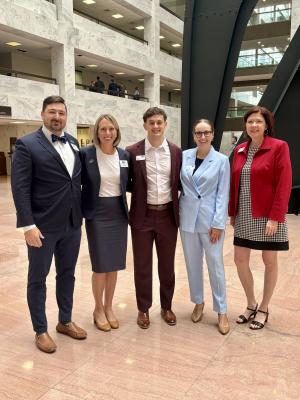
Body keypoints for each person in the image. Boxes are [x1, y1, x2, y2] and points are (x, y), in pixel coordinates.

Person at [11, 96, 87, 354]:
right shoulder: (27, 144)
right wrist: (27, 226)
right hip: (42, 226)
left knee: (67, 274)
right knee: (38, 278)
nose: (57, 117)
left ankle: (65, 321)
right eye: (52, 112)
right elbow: (20, 188)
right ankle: (40, 329)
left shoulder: (75, 143)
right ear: (42, 114)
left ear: (67, 116)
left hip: (72, 224)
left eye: (62, 113)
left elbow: (75, 181)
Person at [229, 106, 292, 330]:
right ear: (245, 126)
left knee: (269, 261)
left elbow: (284, 184)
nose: (254, 125)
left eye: (258, 122)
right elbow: (234, 184)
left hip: (268, 216)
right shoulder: (239, 150)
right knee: (240, 259)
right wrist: (232, 212)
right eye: (250, 122)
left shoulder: (279, 147)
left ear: (266, 126)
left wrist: (275, 217)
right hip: (244, 213)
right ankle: (251, 303)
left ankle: (264, 307)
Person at [126, 107, 182, 329]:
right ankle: (143, 309)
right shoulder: (132, 151)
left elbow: (179, 181)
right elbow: (127, 182)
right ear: (145, 125)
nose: (156, 126)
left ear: (165, 124)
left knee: (167, 266)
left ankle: (166, 306)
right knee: (142, 265)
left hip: (168, 215)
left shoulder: (176, 152)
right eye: (152, 123)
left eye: (159, 122)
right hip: (142, 216)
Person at [179, 119, 230, 335]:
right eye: (198, 133)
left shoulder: (221, 160)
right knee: (192, 264)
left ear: (213, 134)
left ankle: (221, 310)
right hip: (187, 219)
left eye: (206, 132)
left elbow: (223, 193)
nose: (202, 137)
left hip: (210, 221)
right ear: (193, 135)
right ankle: (198, 302)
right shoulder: (184, 156)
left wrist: (218, 223)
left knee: (215, 266)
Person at [81, 114, 130, 332]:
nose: (107, 133)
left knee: (114, 265)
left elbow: (130, 184)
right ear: (97, 132)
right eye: (103, 129)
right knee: (100, 266)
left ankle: (109, 307)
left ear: (117, 131)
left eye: (111, 128)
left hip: (118, 213)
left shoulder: (124, 155)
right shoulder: (86, 154)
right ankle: (98, 308)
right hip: (97, 214)